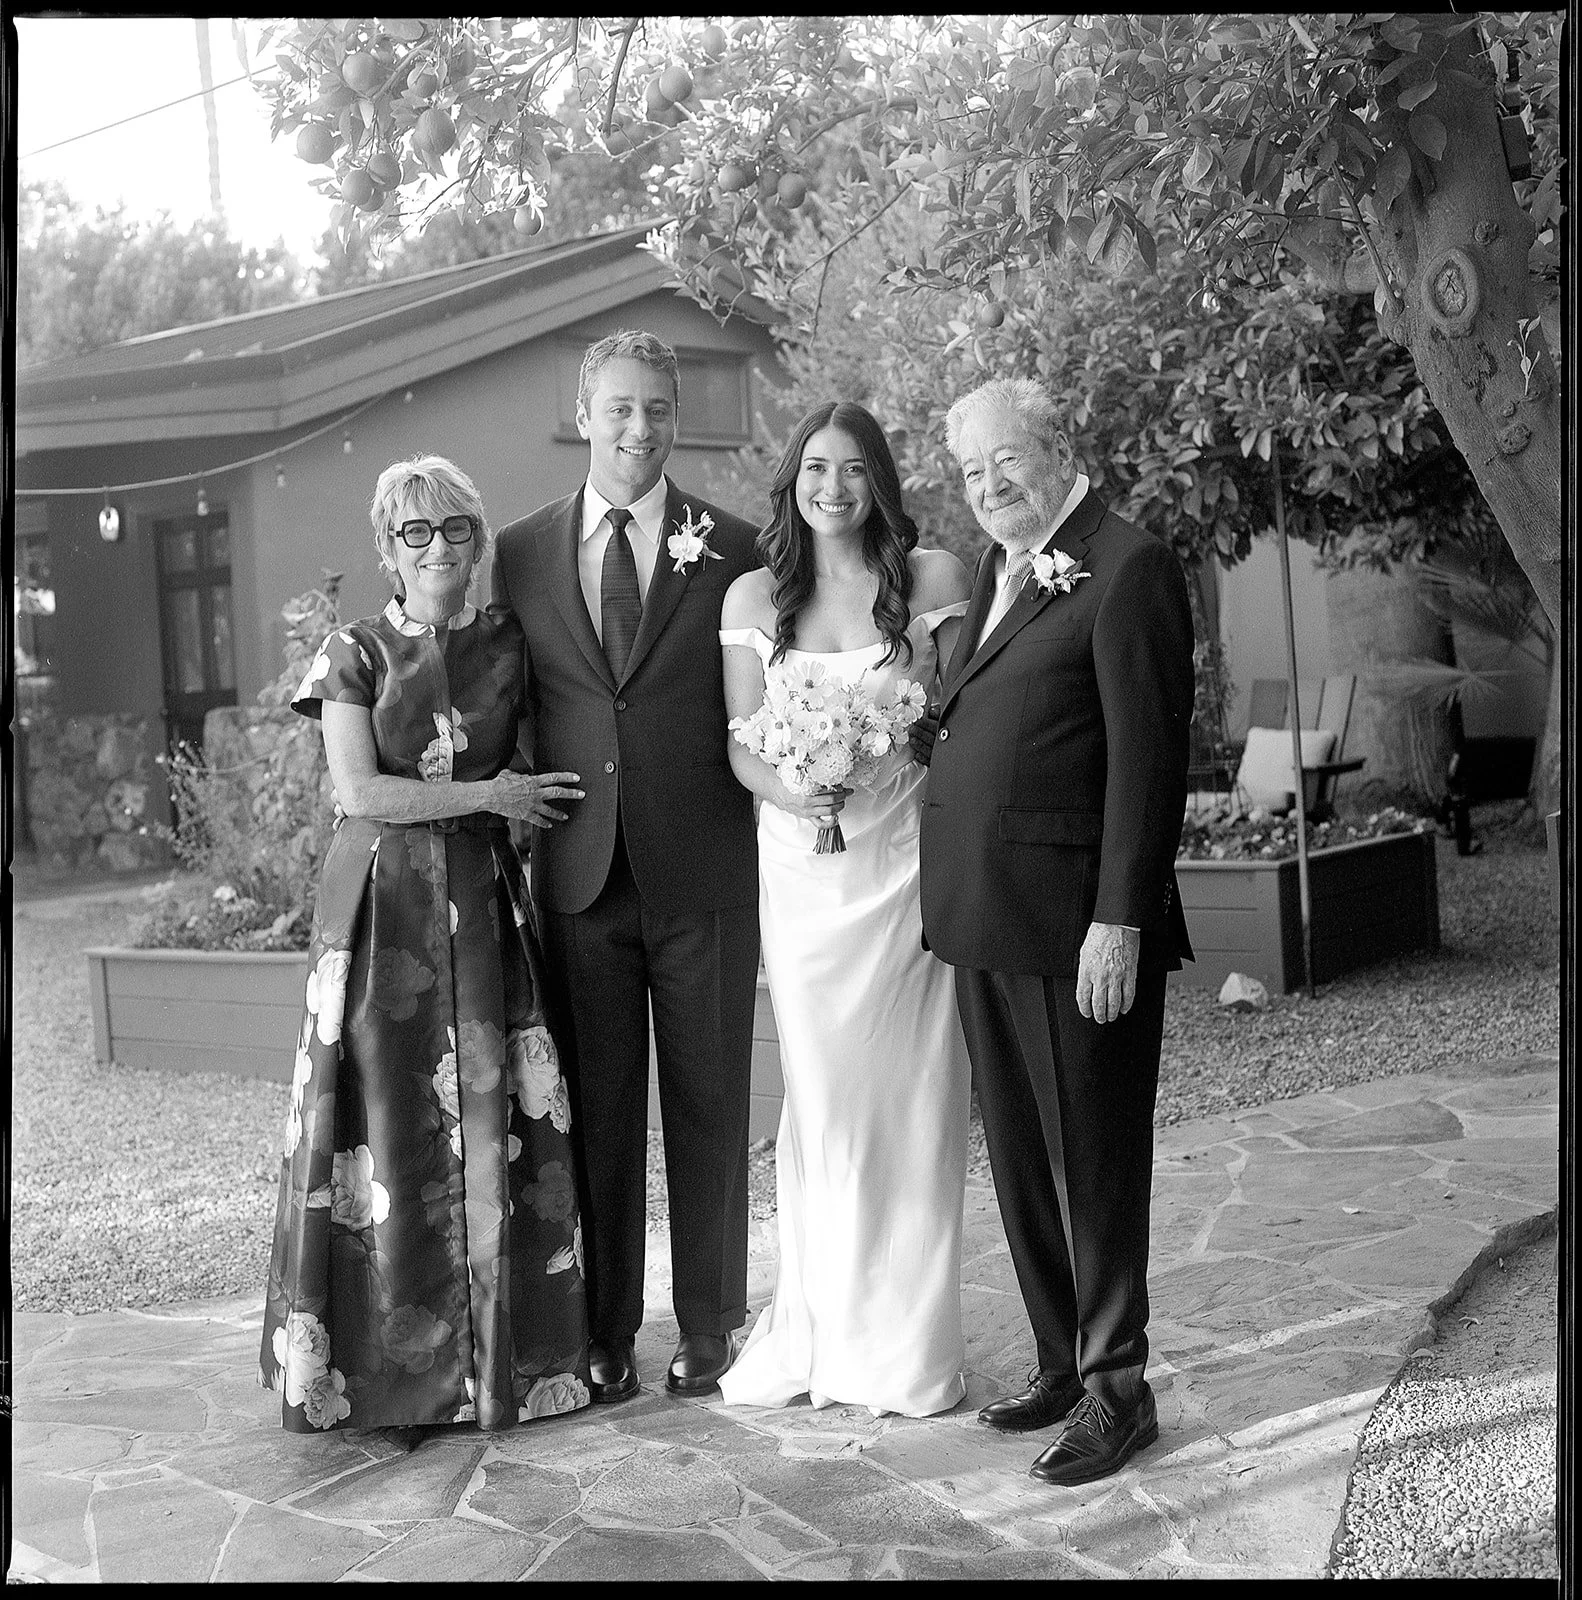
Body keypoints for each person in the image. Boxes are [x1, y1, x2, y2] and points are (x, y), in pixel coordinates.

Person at [259, 454, 593, 1438]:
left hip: (485, 913)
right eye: (416, 531)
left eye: (455, 529)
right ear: (386, 548)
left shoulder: (506, 644)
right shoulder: (352, 653)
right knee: (385, 1136)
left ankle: (501, 1370)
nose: (438, 547)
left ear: (477, 542)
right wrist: (490, 796)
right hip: (380, 924)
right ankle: (387, 1377)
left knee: (496, 1128)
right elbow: (359, 793)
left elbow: (546, 764)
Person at [916, 377, 1195, 1485]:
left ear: (1057, 445)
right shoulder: (996, 570)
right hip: (985, 920)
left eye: (1004, 462)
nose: (988, 488)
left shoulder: (1127, 566)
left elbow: (1146, 759)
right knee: (1025, 1159)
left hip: (1077, 925)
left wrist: (1117, 918)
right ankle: (1059, 1360)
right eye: (971, 473)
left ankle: (1119, 1388)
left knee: (1094, 1157)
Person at [491, 330, 761, 1402]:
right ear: (583, 411)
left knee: (708, 1108)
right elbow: (488, 692)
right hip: (579, 879)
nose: (639, 429)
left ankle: (710, 1325)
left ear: (674, 416)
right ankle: (605, 1331)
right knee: (596, 1118)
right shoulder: (517, 552)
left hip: (704, 870)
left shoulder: (738, 547)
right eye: (620, 409)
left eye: (656, 409)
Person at [715, 400, 975, 1417]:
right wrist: (790, 786)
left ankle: (905, 1350)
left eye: (853, 470)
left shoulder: (933, 582)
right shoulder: (751, 596)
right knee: (822, 1107)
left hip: (905, 869)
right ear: (792, 481)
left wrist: (891, 745)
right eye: (815, 469)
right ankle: (821, 1331)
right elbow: (741, 742)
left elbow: (958, 721)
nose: (833, 487)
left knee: (912, 1098)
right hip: (803, 876)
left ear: (879, 482)